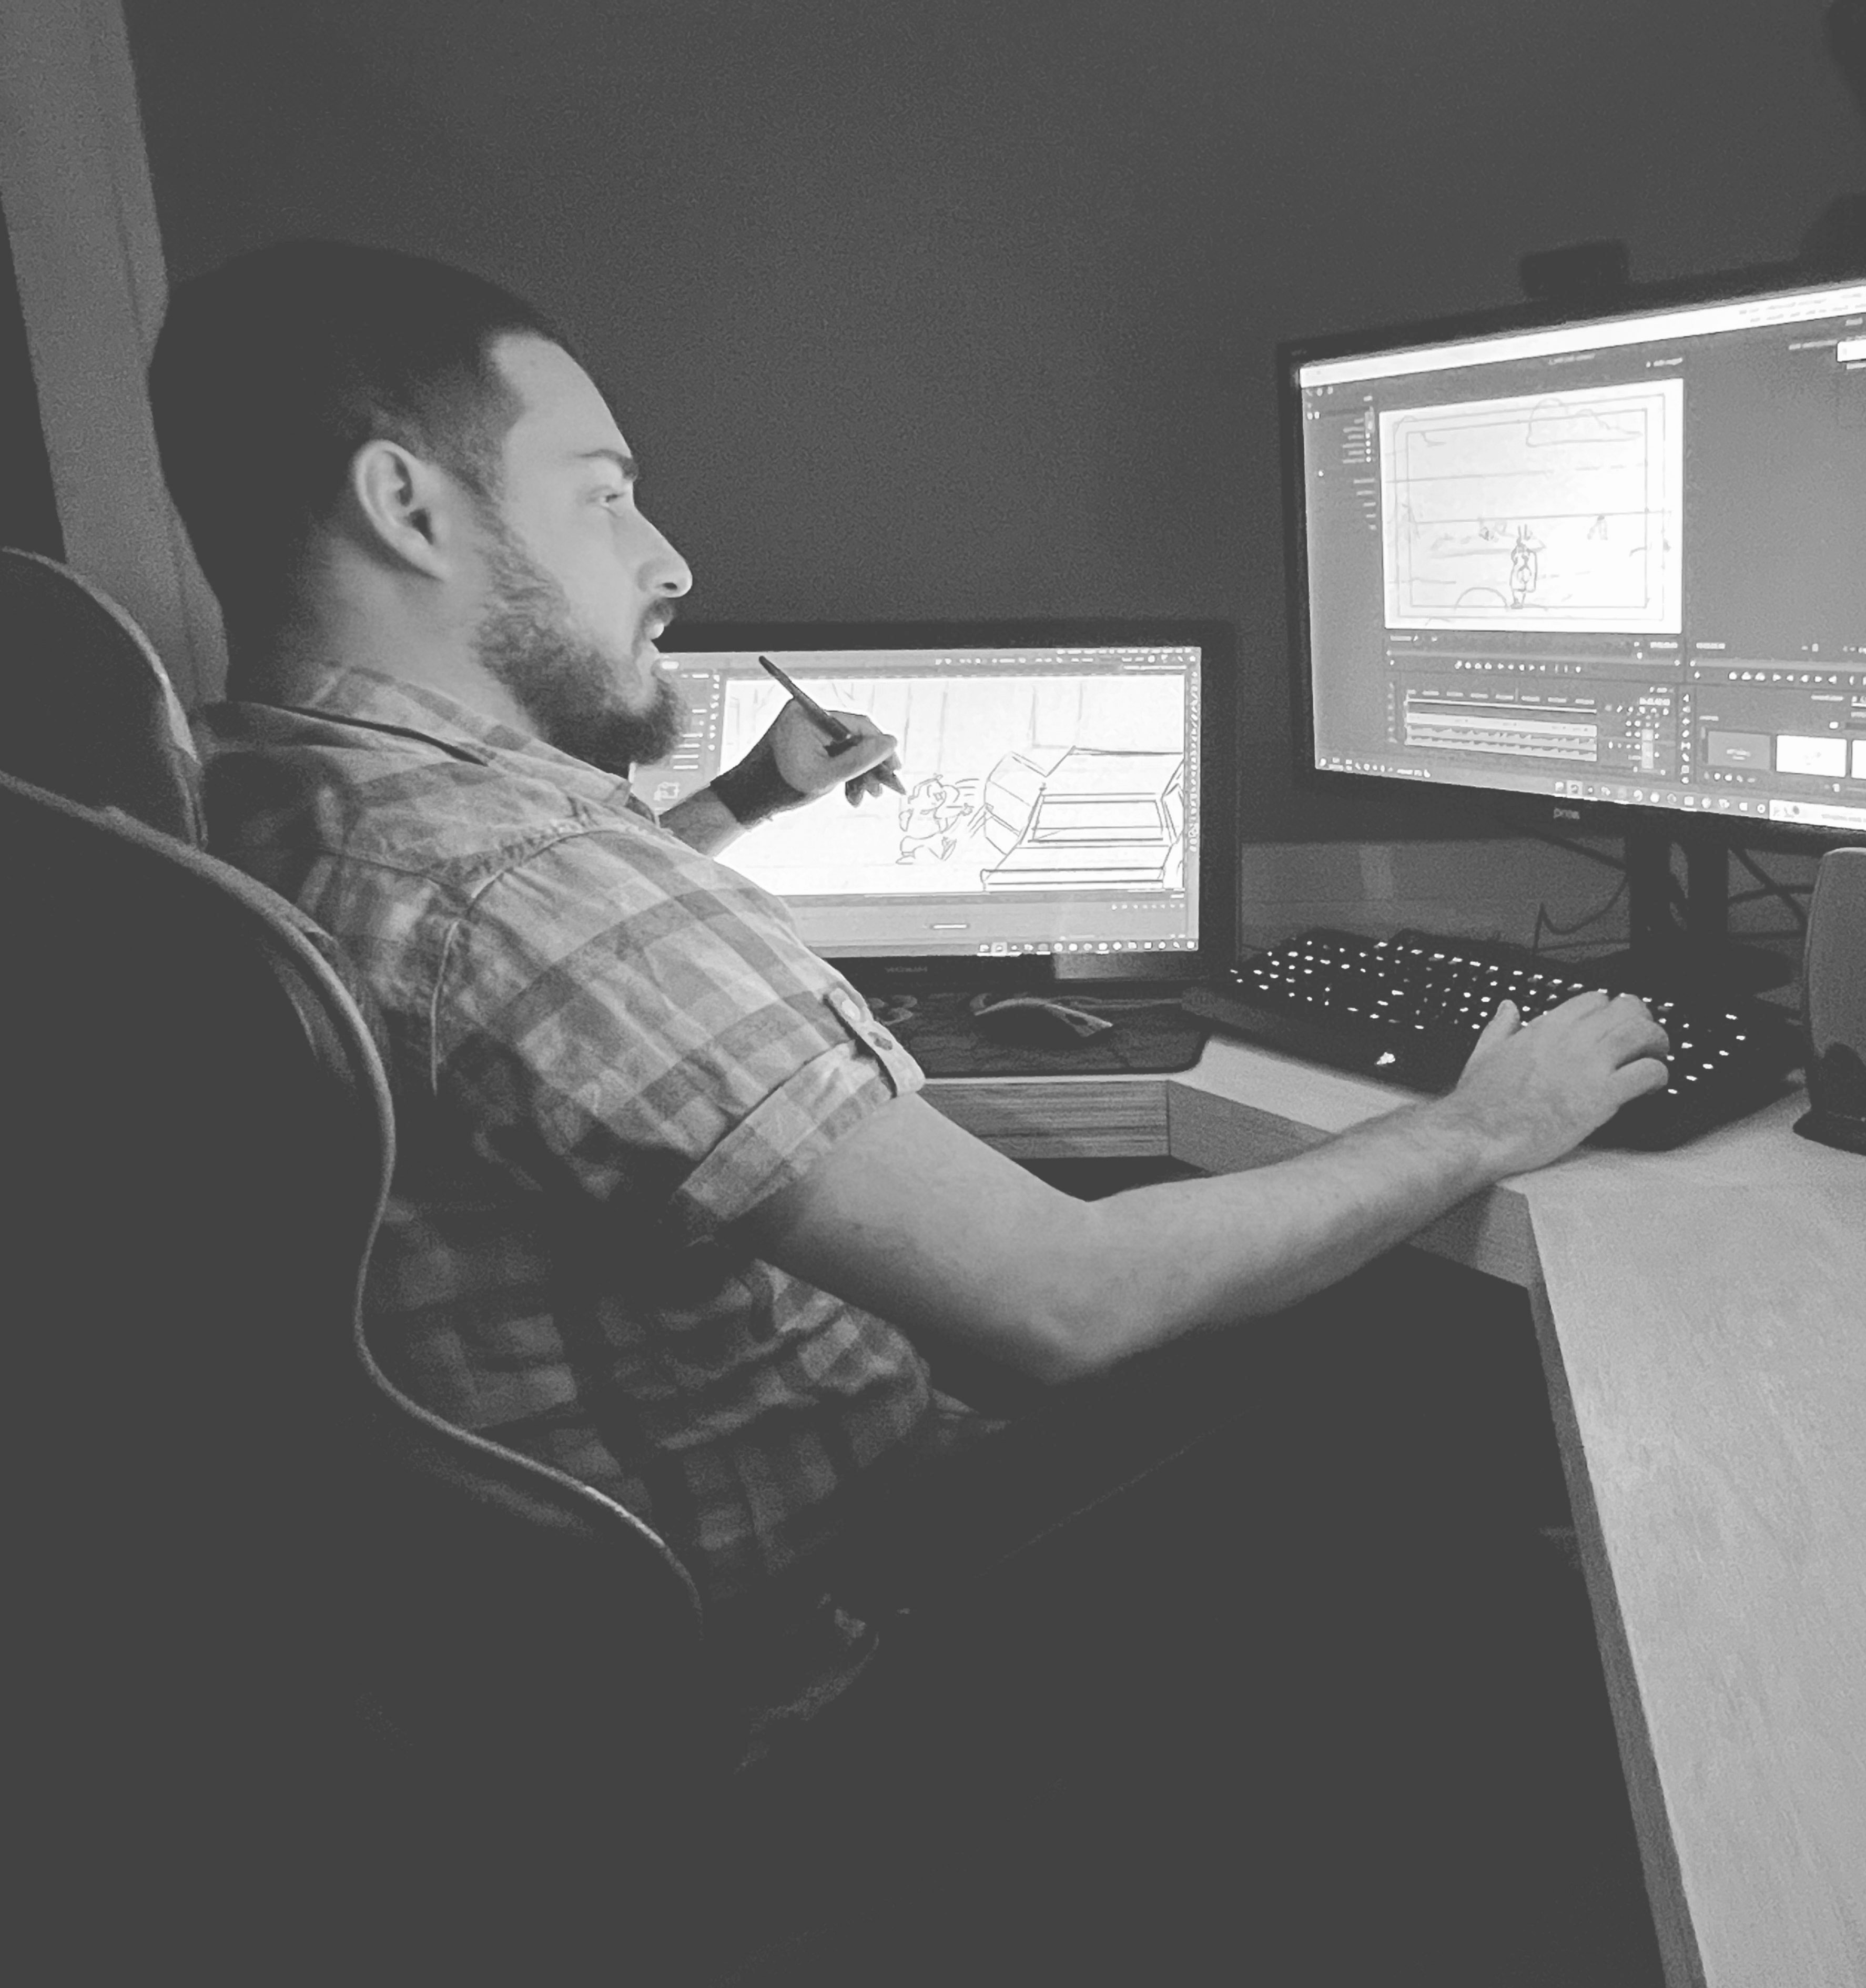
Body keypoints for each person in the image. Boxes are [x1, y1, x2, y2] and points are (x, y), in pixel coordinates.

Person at [151, 241, 1669, 1981]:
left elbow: (506, 1010)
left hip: (512, 1697)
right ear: (408, 509)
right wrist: (1486, 1119)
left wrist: (732, 806)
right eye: (607, 496)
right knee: (1407, 1391)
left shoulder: (251, 795)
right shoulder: (525, 878)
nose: (670, 559)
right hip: (835, 1658)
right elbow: (1061, 1309)